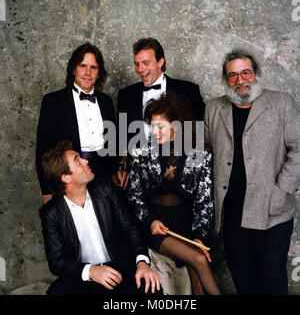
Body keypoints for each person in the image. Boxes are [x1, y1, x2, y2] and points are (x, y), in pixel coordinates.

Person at [204, 49, 300, 295]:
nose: (240, 80)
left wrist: (281, 190)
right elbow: (204, 154)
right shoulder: (213, 108)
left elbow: (299, 149)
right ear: (226, 79)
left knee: (272, 280)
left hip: (272, 211)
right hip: (232, 213)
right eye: (233, 75)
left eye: (245, 72)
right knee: (243, 279)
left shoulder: (281, 103)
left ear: (255, 73)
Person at [39, 140, 163, 295]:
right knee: (56, 292)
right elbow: (57, 261)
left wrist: (142, 263)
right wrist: (91, 271)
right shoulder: (51, 213)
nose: (86, 161)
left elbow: (131, 229)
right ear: (66, 178)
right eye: (78, 160)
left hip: (120, 269)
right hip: (84, 277)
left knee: (151, 287)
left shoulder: (106, 189)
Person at [126, 94, 221, 295]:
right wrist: (150, 220)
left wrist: (199, 236)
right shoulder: (140, 152)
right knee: (199, 259)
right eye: (152, 125)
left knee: (197, 277)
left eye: (160, 127)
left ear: (176, 127)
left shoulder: (200, 155)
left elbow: (204, 201)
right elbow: (134, 195)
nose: (154, 131)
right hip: (158, 227)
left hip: (188, 227)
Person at [116, 38, 205, 188]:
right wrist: (122, 168)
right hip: (140, 177)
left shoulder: (188, 91)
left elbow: (200, 134)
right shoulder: (126, 95)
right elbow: (122, 136)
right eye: (136, 64)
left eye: (145, 63)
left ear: (160, 62)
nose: (140, 69)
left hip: (179, 174)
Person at [36, 42, 118, 204]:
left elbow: (112, 143)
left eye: (93, 67)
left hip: (105, 181)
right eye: (83, 66)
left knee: (105, 227)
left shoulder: (106, 101)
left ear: (98, 73)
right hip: (70, 181)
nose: (88, 72)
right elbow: (42, 151)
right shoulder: (53, 101)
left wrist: (116, 173)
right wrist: (46, 191)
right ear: (73, 69)